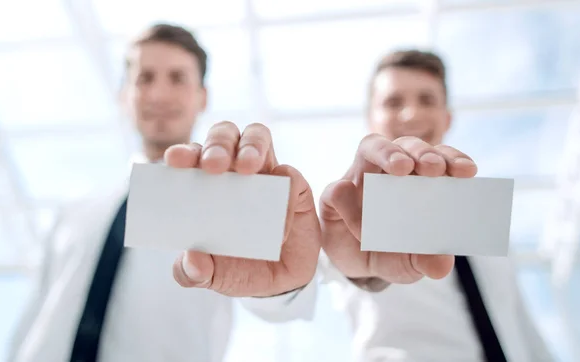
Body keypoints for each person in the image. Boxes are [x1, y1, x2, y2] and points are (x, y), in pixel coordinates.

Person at [170, 50, 554, 362]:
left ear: (448, 117)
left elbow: (522, 333)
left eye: (427, 100)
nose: (411, 114)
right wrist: (279, 278)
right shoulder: (345, 209)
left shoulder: (485, 227)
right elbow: (311, 274)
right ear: (371, 117)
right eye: (393, 101)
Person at [5, 23, 307, 362]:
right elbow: (35, 317)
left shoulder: (225, 205)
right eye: (145, 78)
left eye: (177, 78)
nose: (159, 94)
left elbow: (277, 299)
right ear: (123, 95)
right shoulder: (73, 212)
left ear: (202, 97)